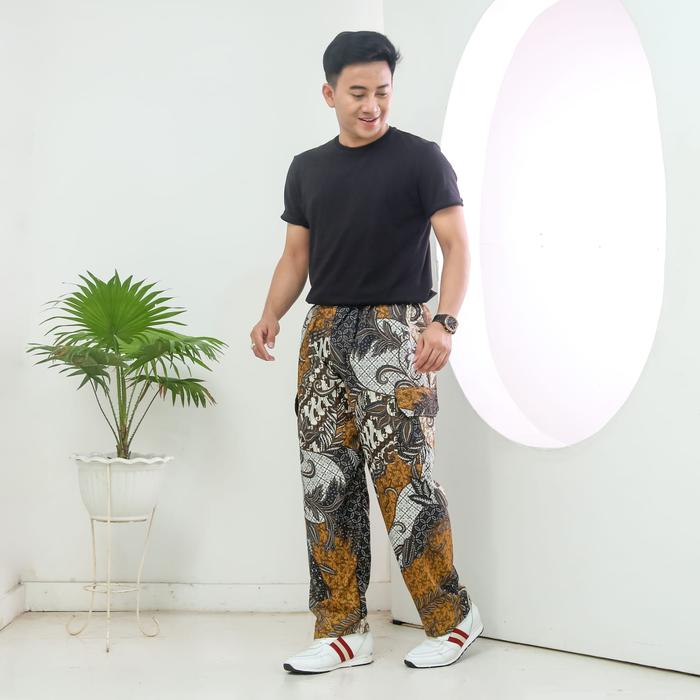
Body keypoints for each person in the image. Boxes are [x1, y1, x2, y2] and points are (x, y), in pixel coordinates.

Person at [249, 29, 483, 673]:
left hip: (397, 329)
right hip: (324, 331)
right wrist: (271, 313)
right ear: (329, 94)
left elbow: (457, 245)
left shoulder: (421, 160)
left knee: (407, 481)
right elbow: (296, 255)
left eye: (382, 91)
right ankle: (341, 629)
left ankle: (452, 618)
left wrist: (444, 322)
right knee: (327, 481)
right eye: (357, 92)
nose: (372, 104)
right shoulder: (307, 168)